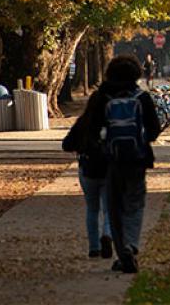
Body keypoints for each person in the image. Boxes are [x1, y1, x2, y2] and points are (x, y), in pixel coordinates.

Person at [68, 54, 160, 274]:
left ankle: (122, 251)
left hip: (111, 162)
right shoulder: (142, 98)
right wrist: (141, 141)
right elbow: (154, 130)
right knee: (135, 205)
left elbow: (90, 128)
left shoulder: (101, 97)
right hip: (137, 161)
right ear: (137, 73)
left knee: (114, 207)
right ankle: (131, 245)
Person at [61, 111, 113, 260]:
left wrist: (81, 146)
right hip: (108, 170)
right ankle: (107, 234)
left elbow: (66, 145)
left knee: (92, 209)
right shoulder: (112, 122)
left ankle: (94, 247)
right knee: (108, 209)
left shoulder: (83, 122)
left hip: (87, 169)